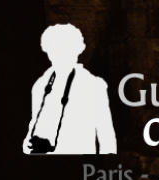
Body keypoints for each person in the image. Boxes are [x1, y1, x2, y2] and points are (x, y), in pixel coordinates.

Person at [24, 23, 116, 155]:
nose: (58, 55)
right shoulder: (40, 85)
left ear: (77, 50)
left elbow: (105, 133)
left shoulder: (93, 85)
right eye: (54, 50)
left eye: (64, 49)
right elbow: (32, 125)